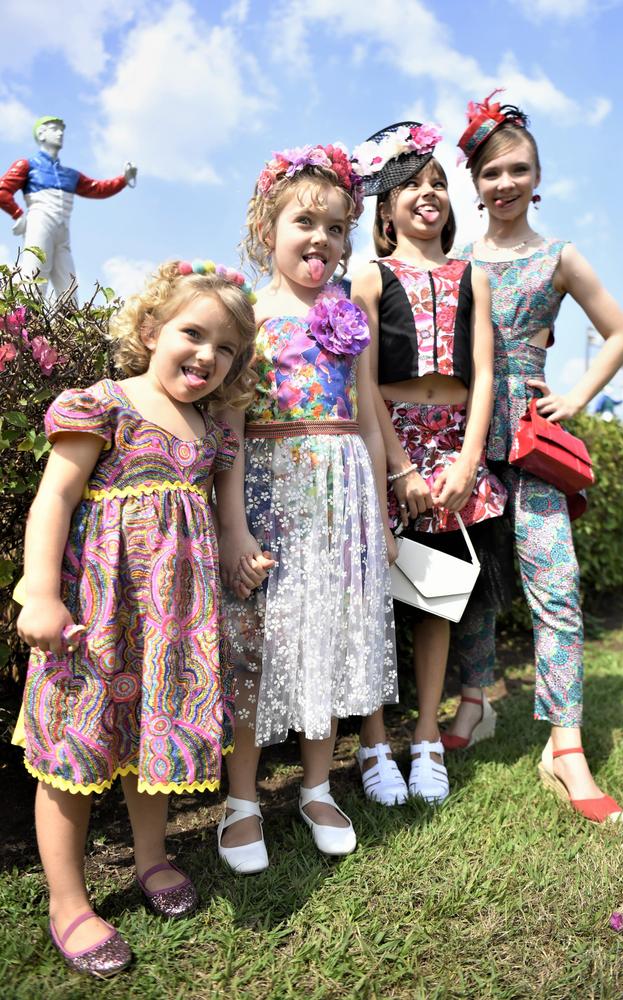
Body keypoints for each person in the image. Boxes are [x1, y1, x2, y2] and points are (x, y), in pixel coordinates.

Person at [14, 259, 257, 976]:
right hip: (94, 617)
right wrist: (38, 590)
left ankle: (151, 858)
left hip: (170, 625)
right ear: (151, 329)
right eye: (193, 333)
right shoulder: (104, 404)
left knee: (151, 738)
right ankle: (68, 900)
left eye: (228, 350)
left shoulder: (209, 430)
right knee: (77, 748)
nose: (208, 355)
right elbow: (54, 499)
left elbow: (210, 511)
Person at [447, 92, 623, 823]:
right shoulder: (456, 261)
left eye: (517, 169)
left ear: (537, 175)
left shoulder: (560, 256)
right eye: (491, 171)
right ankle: (476, 703)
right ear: (475, 180)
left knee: (555, 584)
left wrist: (578, 398)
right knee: (470, 579)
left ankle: (565, 746)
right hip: (461, 431)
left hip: (528, 436)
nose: (504, 183)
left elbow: (618, 333)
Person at [214, 143, 398, 873]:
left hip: (342, 499)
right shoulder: (248, 317)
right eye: (304, 221)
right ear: (268, 227)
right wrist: (234, 527)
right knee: (256, 646)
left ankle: (318, 785)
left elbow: (367, 420)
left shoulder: (349, 316)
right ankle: (242, 799)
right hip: (270, 496)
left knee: (326, 635)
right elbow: (228, 435)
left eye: (336, 227)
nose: (320, 239)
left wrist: (379, 518)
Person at [351, 122, 509, 806]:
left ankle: (425, 738)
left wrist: (469, 460)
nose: (428, 194)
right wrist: (398, 469)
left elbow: (484, 375)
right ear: (385, 208)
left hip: (453, 448)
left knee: (435, 602)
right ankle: (374, 743)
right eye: (411, 185)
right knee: (375, 605)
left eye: (438, 183)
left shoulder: (472, 272)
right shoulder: (367, 275)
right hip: (389, 443)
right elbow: (360, 383)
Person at [0, 116, 137, 297]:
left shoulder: (69, 175)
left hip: (62, 230)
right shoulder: (28, 165)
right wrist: (18, 214)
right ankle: (24, 323)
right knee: (33, 277)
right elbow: (3, 191)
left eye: (62, 130)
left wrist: (124, 179)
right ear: (41, 134)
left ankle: (70, 323)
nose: (60, 133)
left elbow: (98, 188)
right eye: (54, 129)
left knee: (68, 284)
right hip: (40, 223)